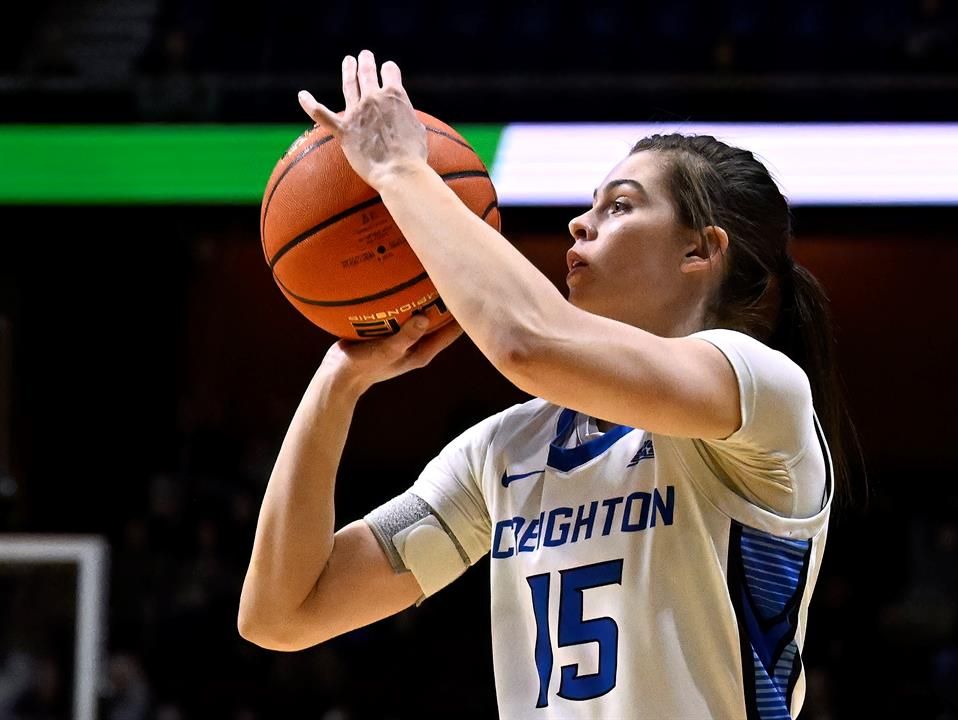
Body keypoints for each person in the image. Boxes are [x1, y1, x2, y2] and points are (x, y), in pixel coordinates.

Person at [238, 50, 859, 720]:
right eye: (590, 204)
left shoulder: (760, 390)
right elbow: (283, 613)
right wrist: (337, 384)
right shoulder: (502, 453)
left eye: (620, 206)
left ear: (700, 251)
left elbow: (525, 341)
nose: (580, 223)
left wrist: (400, 171)